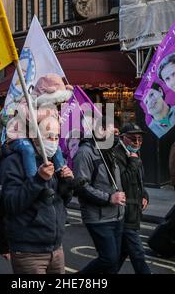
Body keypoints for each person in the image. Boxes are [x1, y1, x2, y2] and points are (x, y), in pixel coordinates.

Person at [0, 116, 74, 274]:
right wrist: (38, 179)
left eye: (56, 136)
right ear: (34, 136)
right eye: (48, 136)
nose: (53, 141)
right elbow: (12, 204)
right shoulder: (14, 161)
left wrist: (66, 182)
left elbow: (62, 201)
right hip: (29, 252)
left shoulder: (55, 160)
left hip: (56, 248)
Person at [73, 117, 125, 274]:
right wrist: (109, 198)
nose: (116, 136)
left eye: (117, 132)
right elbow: (81, 187)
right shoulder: (85, 153)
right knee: (108, 259)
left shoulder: (110, 151)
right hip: (98, 217)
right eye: (112, 132)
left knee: (114, 263)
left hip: (117, 215)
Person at [3, 73, 72, 177]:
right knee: (28, 150)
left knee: (56, 149)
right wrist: (47, 113)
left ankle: (61, 173)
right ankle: (33, 177)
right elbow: (29, 117)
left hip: (34, 136)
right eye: (55, 100)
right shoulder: (27, 101)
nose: (57, 104)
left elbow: (54, 120)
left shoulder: (50, 106)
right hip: (19, 136)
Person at [114, 123, 151, 274]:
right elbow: (123, 181)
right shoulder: (117, 155)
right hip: (124, 213)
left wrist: (145, 196)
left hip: (134, 212)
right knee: (138, 254)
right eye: (133, 138)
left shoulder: (134, 154)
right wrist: (134, 161)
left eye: (140, 139)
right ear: (122, 138)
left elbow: (140, 182)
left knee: (120, 255)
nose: (137, 142)